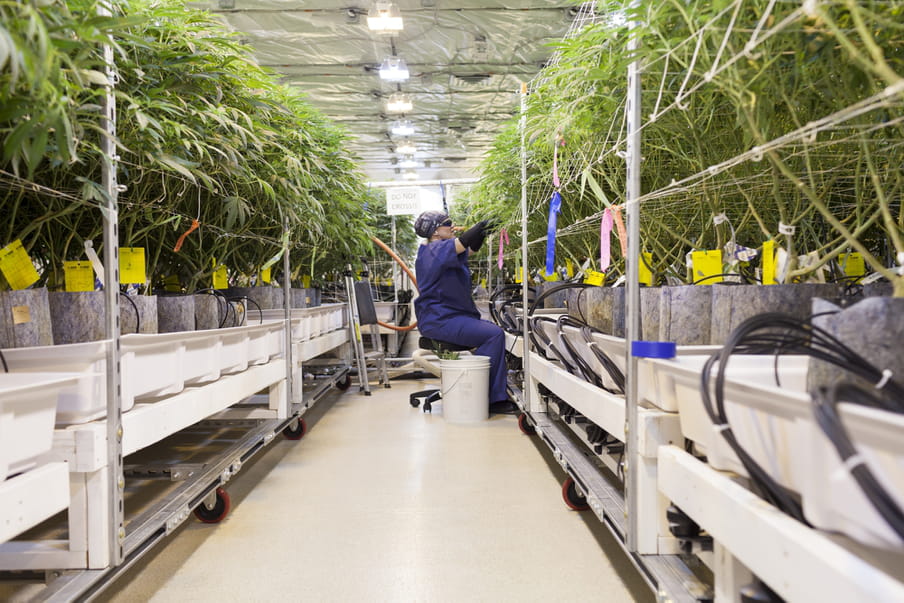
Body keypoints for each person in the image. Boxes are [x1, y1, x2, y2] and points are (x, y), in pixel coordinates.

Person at [413, 210, 515, 413]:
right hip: (440, 320)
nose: (451, 226)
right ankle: (491, 398)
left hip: (449, 317)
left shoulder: (439, 251)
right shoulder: (433, 251)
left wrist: (483, 232)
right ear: (435, 232)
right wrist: (482, 224)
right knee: (493, 335)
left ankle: (481, 388)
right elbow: (463, 241)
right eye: (447, 224)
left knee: (490, 330)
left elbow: (469, 249)